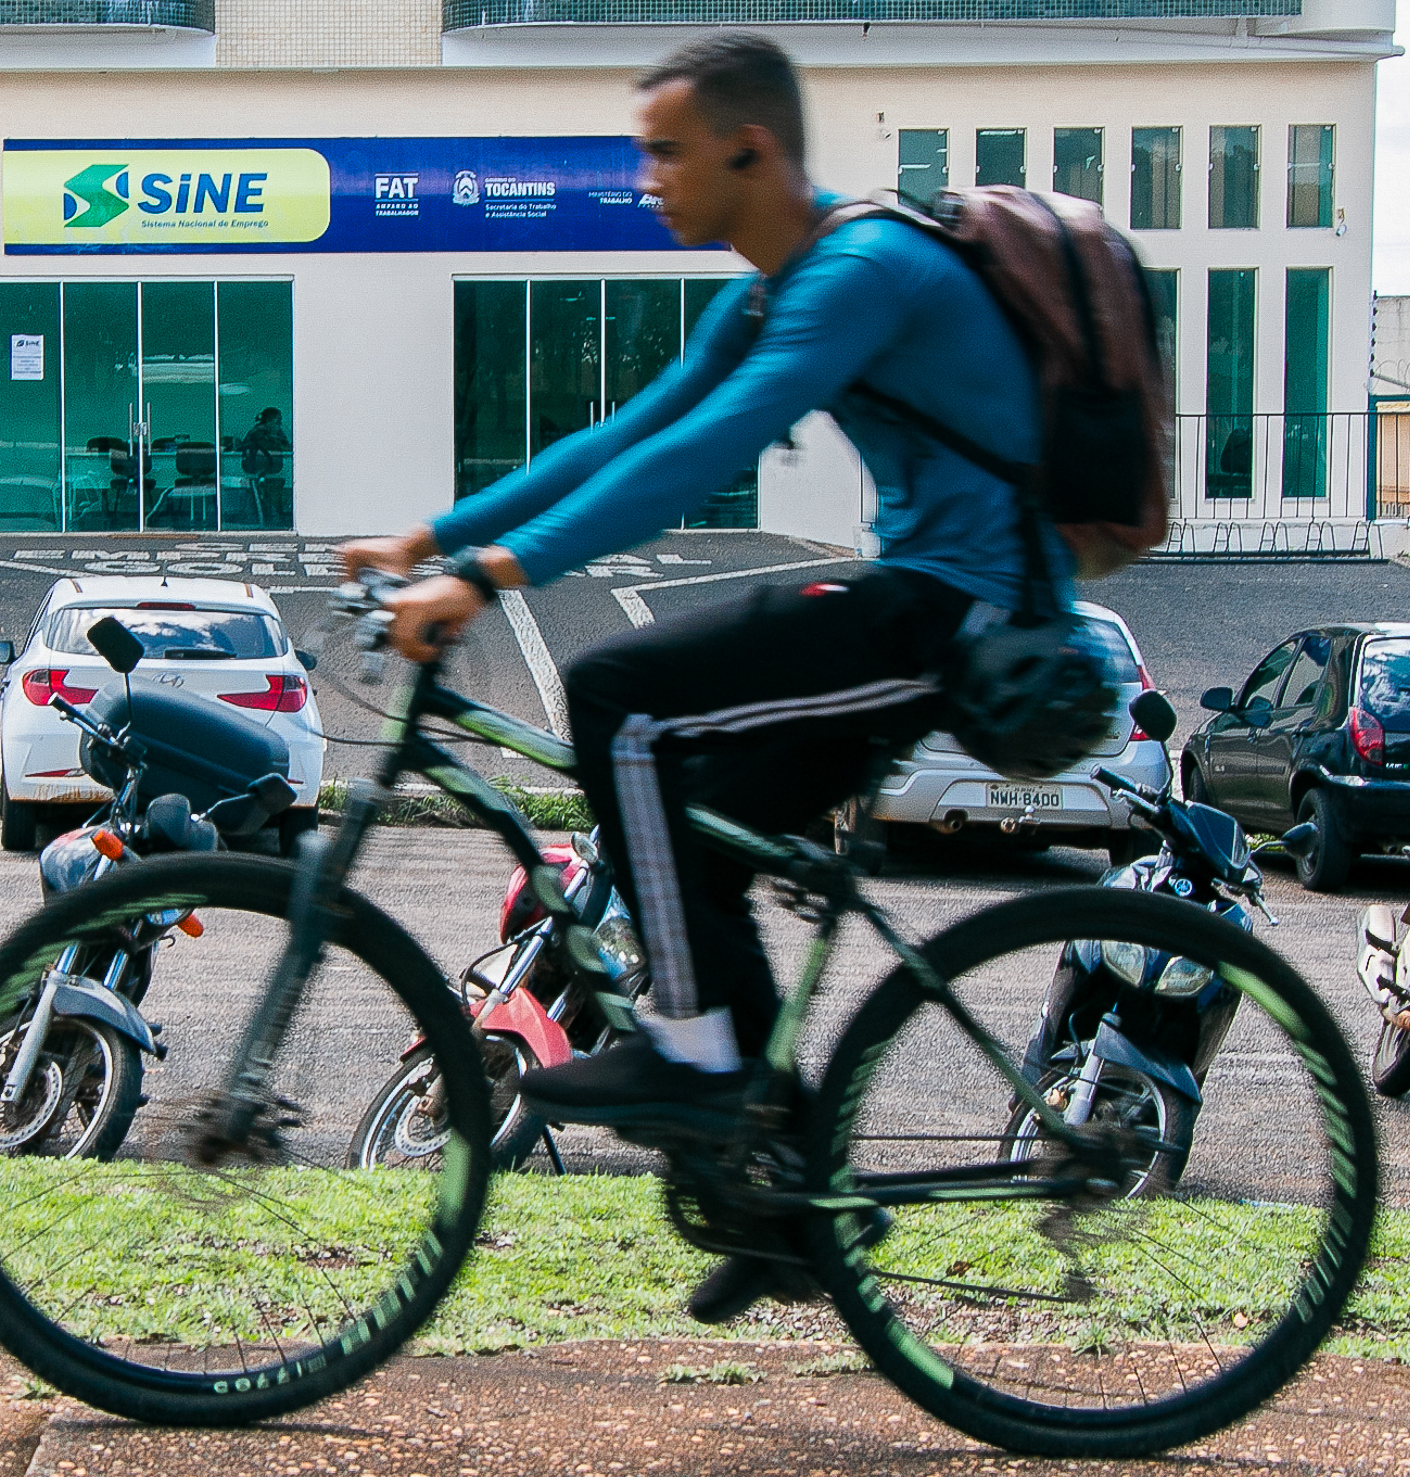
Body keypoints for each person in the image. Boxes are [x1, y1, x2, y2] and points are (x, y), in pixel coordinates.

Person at [341, 32, 1064, 1316]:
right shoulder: (773, 290)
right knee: (691, 834)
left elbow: (705, 453)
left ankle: (687, 1060)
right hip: (916, 600)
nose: (647, 179)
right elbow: (633, 430)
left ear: (752, 147)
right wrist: (435, 538)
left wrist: (496, 575)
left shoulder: (859, 269)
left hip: (953, 620)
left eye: (666, 152)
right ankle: (773, 1187)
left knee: (620, 698)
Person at [240, 407, 292, 528]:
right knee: (270, 489)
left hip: (268, 470)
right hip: (261, 470)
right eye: (278, 420)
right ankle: (273, 516)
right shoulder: (259, 433)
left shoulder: (274, 432)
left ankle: (267, 515)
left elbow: (286, 447)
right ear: (270, 420)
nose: (280, 423)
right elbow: (281, 447)